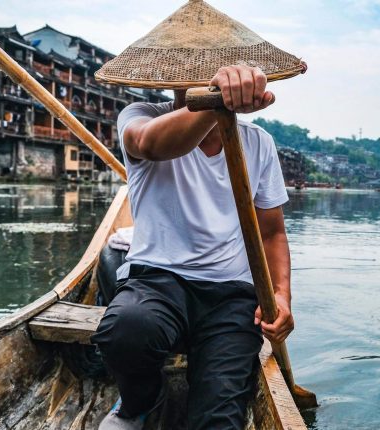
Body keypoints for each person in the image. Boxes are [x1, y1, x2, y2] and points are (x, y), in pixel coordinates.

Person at [91, 65, 294, 430]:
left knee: (219, 419)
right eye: (197, 70)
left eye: (216, 71)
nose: (207, 75)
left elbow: (272, 233)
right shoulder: (141, 116)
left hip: (231, 296)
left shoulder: (259, 142)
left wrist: (281, 297)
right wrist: (215, 104)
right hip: (156, 280)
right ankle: (143, 400)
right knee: (125, 331)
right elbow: (150, 144)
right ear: (174, 76)